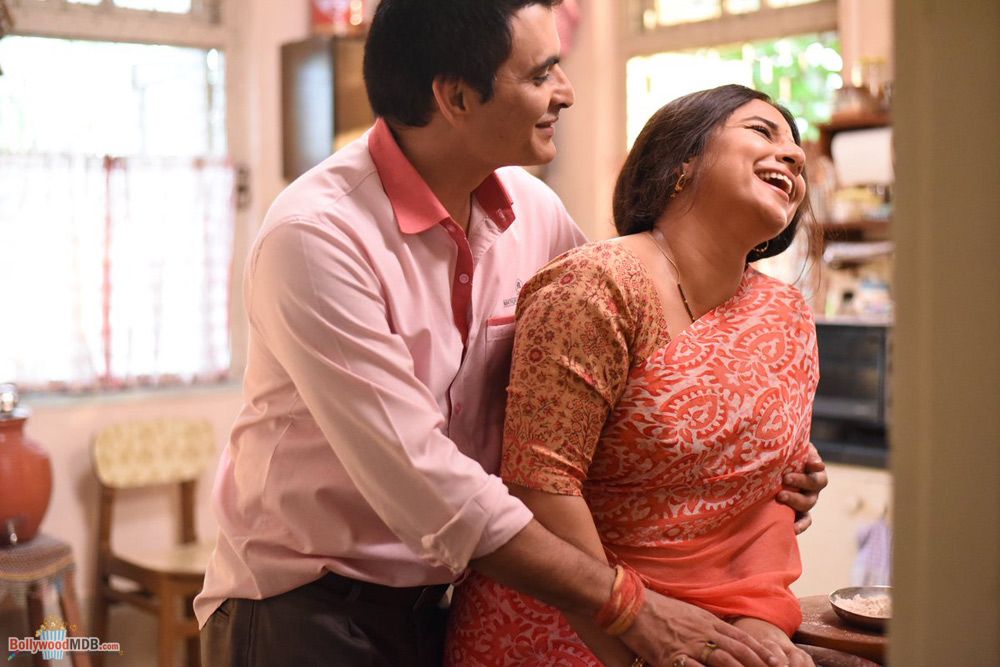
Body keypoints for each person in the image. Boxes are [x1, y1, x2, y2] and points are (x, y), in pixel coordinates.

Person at [195, 0, 828, 663]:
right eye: (541, 73)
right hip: (308, 605)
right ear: (456, 97)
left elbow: (606, 389)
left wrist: (755, 470)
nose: (567, 92)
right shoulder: (318, 235)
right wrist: (626, 606)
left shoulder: (535, 212)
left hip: (451, 594)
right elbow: (425, 483)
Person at [446, 84, 823, 667]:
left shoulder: (785, 314)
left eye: (795, 147)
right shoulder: (595, 286)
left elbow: (771, 499)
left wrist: (757, 627)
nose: (794, 155)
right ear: (682, 161)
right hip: (567, 627)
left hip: (721, 635)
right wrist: (631, 639)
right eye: (760, 130)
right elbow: (541, 488)